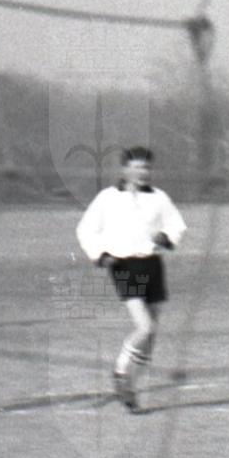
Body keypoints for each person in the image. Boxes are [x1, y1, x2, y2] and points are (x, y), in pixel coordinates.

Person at [75, 146, 186, 413]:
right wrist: (100, 254)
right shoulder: (108, 197)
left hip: (152, 265)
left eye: (146, 167)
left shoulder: (159, 197)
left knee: (151, 335)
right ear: (124, 169)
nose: (142, 172)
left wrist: (165, 237)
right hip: (123, 265)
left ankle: (130, 392)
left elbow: (176, 224)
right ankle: (120, 371)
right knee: (144, 327)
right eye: (136, 167)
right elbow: (86, 229)